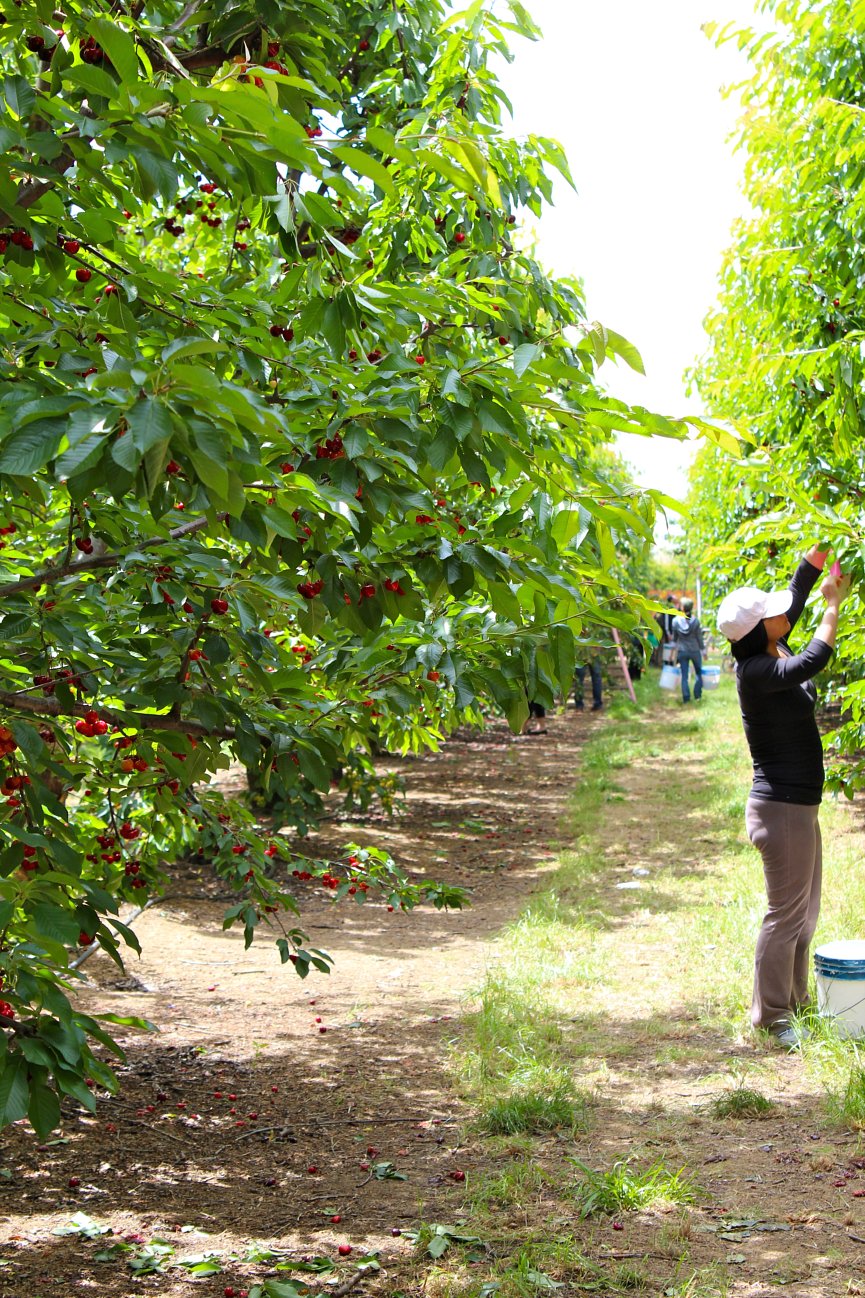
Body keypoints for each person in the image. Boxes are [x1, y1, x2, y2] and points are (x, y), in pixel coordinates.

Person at [716, 544, 847, 1049]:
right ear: (757, 629)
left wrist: (819, 557)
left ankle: (795, 1004)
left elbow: (794, 596)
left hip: (799, 807)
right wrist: (833, 606)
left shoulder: (771, 644)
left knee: (803, 915)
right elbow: (814, 659)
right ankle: (771, 1017)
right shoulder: (756, 672)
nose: (783, 614)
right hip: (781, 809)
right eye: (771, 614)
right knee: (785, 915)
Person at [672, 597, 704, 703]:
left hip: (682, 651)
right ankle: (697, 695)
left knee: (684, 675)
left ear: (682, 607)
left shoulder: (675, 621)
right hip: (695, 650)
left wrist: (671, 653)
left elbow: (674, 639)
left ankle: (686, 697)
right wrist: (703, 651)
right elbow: (699, 638)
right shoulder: (695, 621)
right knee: (698, 673)